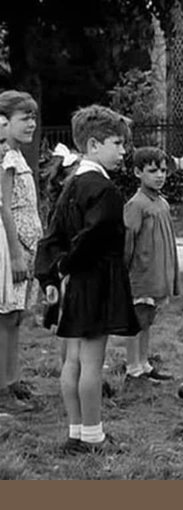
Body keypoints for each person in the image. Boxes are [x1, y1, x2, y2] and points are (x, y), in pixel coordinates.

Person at [35, 105, 140, 454]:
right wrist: (68, 265)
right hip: (95, 280)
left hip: (73, 285)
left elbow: (52, 236)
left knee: (73, 360)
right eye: (117, 143)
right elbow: (92, 237)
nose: (123, 151)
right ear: (93, 145)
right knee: (92, 363)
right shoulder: (104, 189)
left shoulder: (71, 184)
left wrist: (52, 274)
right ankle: (93, 436)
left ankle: (76, 431)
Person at [0, 91, 44, 415]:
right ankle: (4, 385)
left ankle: (13, 379)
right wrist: (15, 253)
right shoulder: (5, 158)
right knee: (6, 315)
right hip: (11, 246)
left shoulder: (18, 154)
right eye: (23, 118)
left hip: (29, 246)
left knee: (16, 317)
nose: (31, 123)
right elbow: (4, 208)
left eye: (33, 117)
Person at [123, 147, 179, 383]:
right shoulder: (136, 204)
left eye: (163, 170)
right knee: (137, 319)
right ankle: (132, 366)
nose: (160, 176)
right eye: (153, 170)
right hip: (141, 273)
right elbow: (128, 241)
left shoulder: (162, 203)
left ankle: (144, 363)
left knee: (147, 319)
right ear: (138, 172)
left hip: (157, 272)